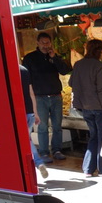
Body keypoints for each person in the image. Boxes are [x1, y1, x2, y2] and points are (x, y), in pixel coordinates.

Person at [70, 39, 102, 177]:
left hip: (85, 107)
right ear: (99, 52)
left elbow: (71, 82)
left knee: (94, 137)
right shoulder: (99, 66)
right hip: (99, 108)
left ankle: (88, 169)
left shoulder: (78, 65)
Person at [21, 32, 71, 162]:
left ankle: (57, 150)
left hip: (56, 96)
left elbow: (65, 70)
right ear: (37, 43)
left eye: (47, 43)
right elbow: (27, 80)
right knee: (42, 126)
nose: (45, 45)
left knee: (57, 125)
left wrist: (54, 58)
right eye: (42, 43)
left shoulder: (54, 57)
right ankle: (43, 152)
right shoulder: (29, 58)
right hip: (39, 97)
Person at [19, 65, 49, 179]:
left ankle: (37, 162)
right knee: (27, 140)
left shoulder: (6, 70)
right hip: (29, 112)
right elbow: (31, 93)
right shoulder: (24, 70)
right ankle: (38, 163)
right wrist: (35, 113)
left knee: (24, 141)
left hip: (17, 112)